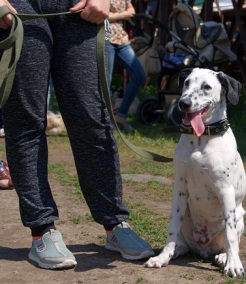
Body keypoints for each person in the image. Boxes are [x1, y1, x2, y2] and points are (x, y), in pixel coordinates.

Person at [0, 0, 154, 270]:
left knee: (92, 116)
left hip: (78, 7)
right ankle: (42, 231)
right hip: (18, 5)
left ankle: (115, 223)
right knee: (26, 120)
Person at [108, 0, 146, 131]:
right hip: (105, 37)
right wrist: (123, 15)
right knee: (105, 81)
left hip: (121, 39)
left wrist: (117, 15)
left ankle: (121, 116)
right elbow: (102, 15)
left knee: (139, 75)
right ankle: (104, 120)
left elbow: (132, 11)